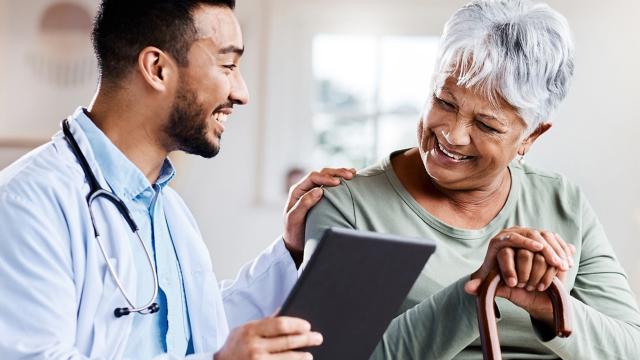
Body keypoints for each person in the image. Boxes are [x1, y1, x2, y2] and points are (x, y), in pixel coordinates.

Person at [0, 0, 356, 359]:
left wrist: (290, 250)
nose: (241, 93)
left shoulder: (167, 206)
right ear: (157, 68)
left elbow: (202, 334)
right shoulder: (26, 204)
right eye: (228, 66)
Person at [305, 0, 640, 358]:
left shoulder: (563, 201)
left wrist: (546, 304)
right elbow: (333, 355)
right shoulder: (348, 208)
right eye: (444, 101)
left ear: (531, 136)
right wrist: (478, 289)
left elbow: (630, 347)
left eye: (486, 125)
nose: (453, 134)